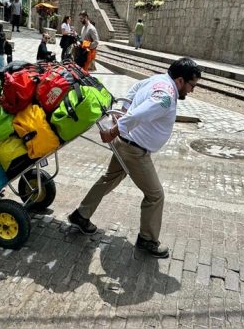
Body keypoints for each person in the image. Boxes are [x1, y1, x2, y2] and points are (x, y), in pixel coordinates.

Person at [67, 57, 202, 259]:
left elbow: (133, 90)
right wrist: (115, 129)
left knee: (109, 179)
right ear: (181, 80)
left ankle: (81, 215)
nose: (192, 91)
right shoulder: (165, 96)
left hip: (126, 143)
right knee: (155, 195)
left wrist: (122, 112)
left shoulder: (158, 80)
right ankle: (147, 239)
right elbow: (140, 114)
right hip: (134, 150)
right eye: (192, 85)